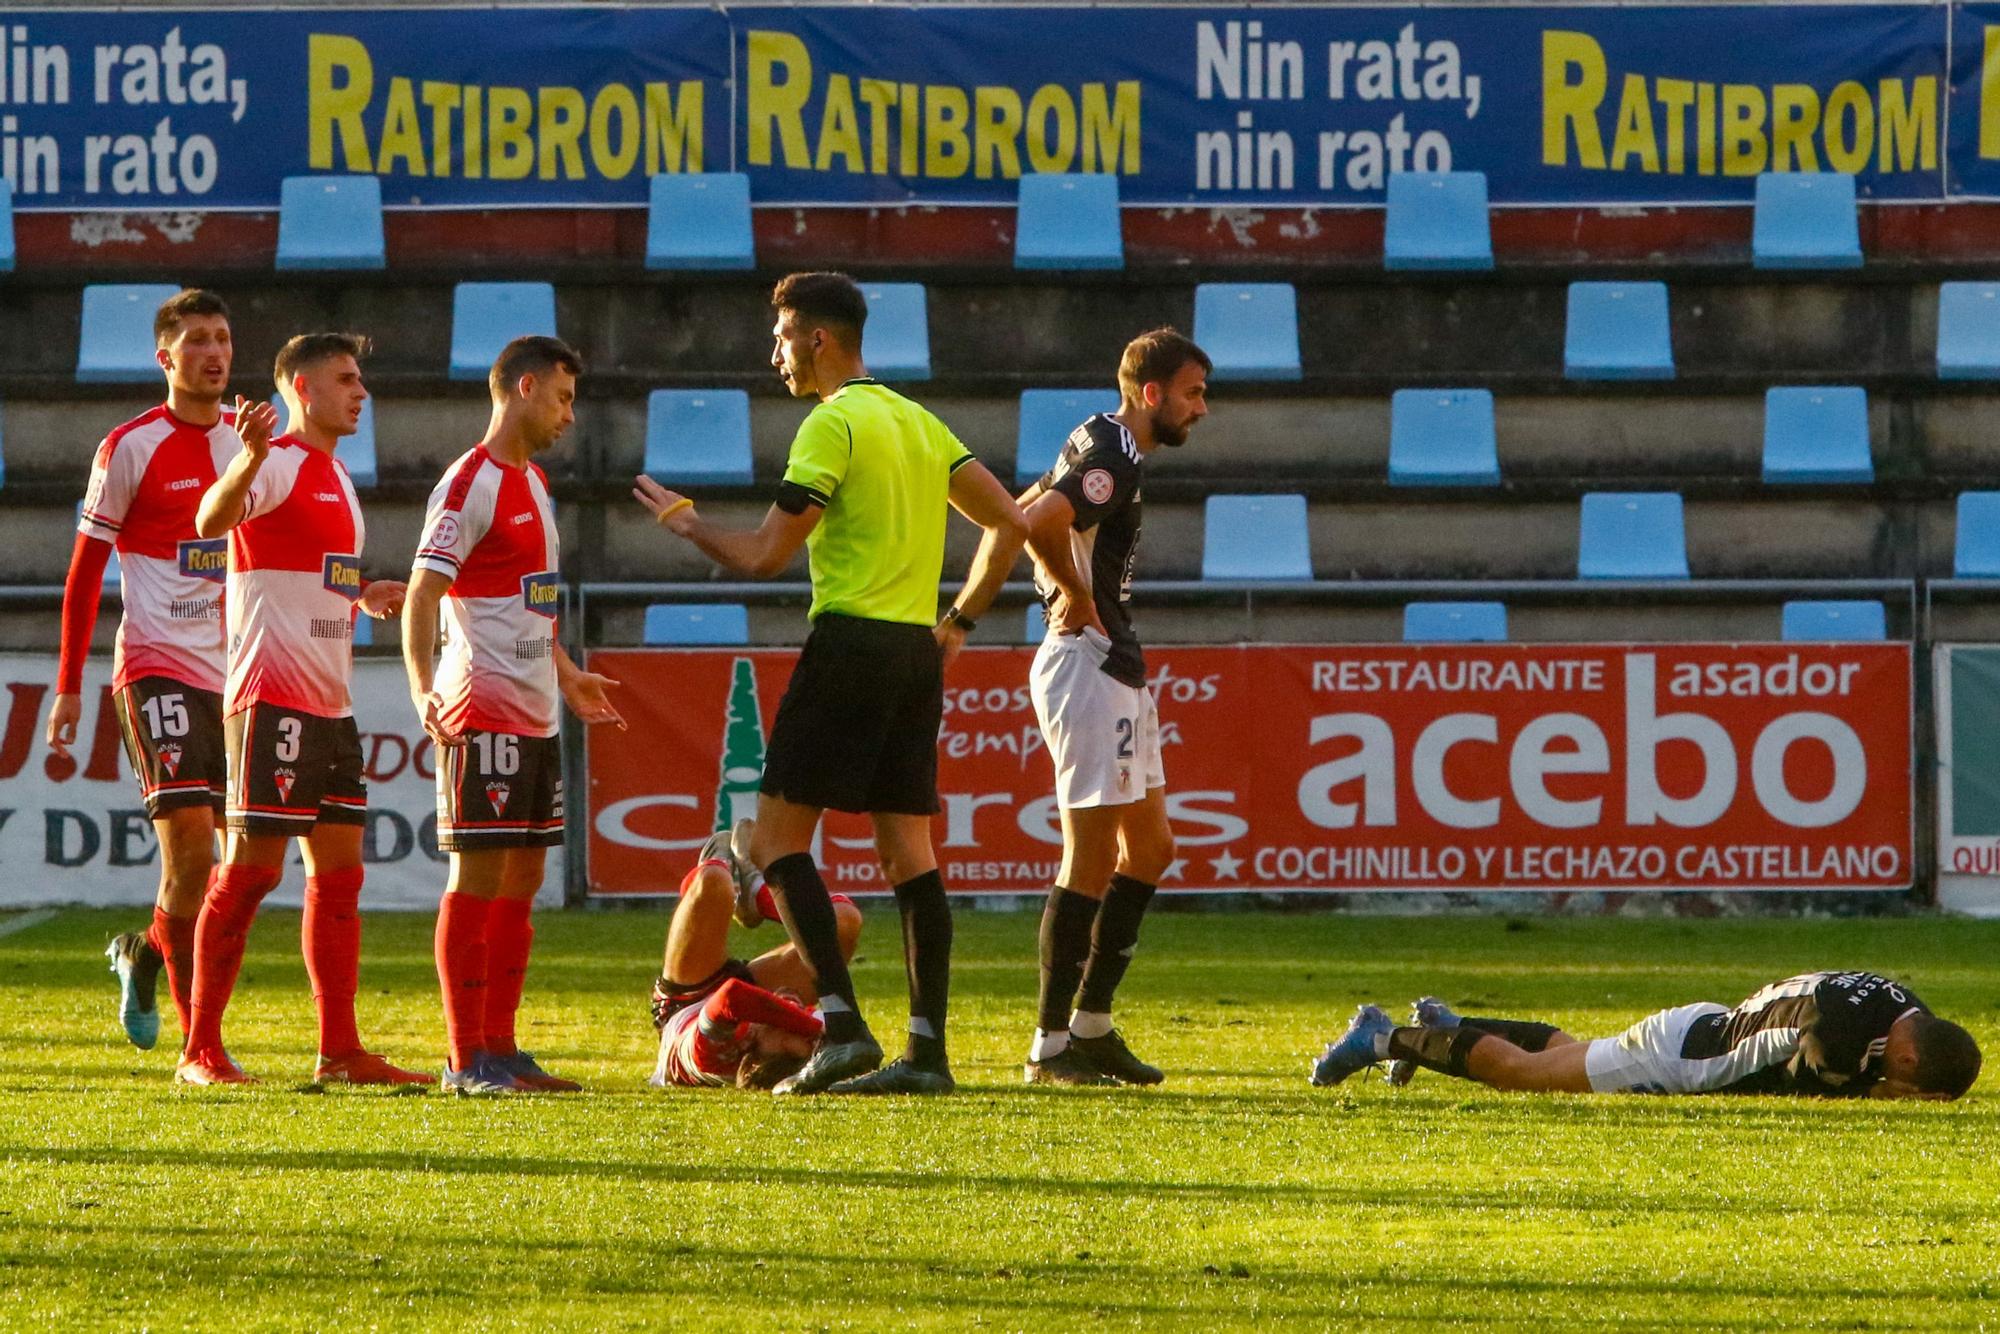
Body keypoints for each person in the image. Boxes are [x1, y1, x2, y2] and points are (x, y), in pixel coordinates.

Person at [633, 270, 1029, 1095]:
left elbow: (763, 554)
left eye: (781, 338)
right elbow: (1012, 521)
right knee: (909, 856)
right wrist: (958, 622)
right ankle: (927, 1053)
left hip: (848, 642)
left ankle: (844, 1027)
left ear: (817, 340)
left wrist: (685, 521)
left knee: (777, 844)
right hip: (915, 655)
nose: (774, 353)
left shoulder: (832, 423)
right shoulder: (919, 422)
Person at [175, 332, 427, 1087]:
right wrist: (246, 457)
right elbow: (209, 523)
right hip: (271, 700)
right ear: (301, 388)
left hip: (330, 702)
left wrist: (361, 593)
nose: (362, 391)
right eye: (347, 378)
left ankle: (340, 1052)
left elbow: (318, 572)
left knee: (341, 877)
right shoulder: (276, 461)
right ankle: (200, 1051)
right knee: (250, 871)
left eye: (361, 378)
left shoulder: (336, 476)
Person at [404, 335, 626, 1097]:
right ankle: (465, 1059)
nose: (570, 415)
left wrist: (565, 675)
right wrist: (422, 687)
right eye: (563, 397)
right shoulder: (471, 483)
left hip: (535, 714)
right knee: (476, 877)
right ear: (524, 388)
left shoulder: (532, 484)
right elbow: (421, 595)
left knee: (525, 878)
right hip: (482, 712)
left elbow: (533, 602)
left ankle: (501, 1047)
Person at [1014, 328, 1210, 1087]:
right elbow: (1039, 521)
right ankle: (1050, 1045)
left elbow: (1020, 509)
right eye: (1192, 393)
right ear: (1152, 394)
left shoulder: (1094, 439)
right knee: (1090, 856)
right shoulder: (1118, 454)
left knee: (1150, 848)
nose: (1202, 408)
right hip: (1089, 662)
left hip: (1115, 663)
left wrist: (968, 611)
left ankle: (1089, 1027)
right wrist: (1070, 592)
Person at [52, 289, 242, 1053]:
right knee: (193, 848)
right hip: (156, 667)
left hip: (235, 675)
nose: (214, 352)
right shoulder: (129, 446)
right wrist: (69, 684)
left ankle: (146, 951)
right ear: (165, 357)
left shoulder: (248, 443)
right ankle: (203, 1048)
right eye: (197, 339)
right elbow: (83, 574)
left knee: (233, 864)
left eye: (224, 338)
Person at [1311, 972, 1983, 1100]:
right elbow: (1818, 1086)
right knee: (1524, 1076)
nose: (1903, 1093)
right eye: (1910, 1084)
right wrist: (1876, 1095)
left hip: (1699, 1027)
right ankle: (1384, 1039)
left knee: (1565, 1054)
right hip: (1680, 1057)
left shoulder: (1900, 1005)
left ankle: (1452, 1032)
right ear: (1909, 1053)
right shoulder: (1839, 1038)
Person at [649, 825, 863, 1090]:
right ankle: (758, 895)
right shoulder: (803, 1041)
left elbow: (733, 997)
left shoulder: (714, 1056)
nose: (796, 1013)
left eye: (787, 1033)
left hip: (689, 999)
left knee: (714, 882)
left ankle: (718, 868)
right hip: (757, 997)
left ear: (752, 1062)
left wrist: (812, 1028)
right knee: (844, 921)